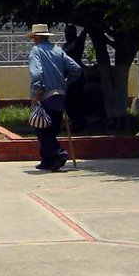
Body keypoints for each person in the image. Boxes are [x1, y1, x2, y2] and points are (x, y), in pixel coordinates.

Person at [28, 24, 82, 171]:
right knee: (51, 129)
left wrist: (37, 92)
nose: (33, 40)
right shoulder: (58, 50)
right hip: (60, 95)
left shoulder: (36, 51)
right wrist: (66, 83)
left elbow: (36, 73)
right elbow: (76, 69)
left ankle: (59, 154)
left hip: (44, 95)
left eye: (33, 37)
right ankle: (46, 160)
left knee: (41, 129)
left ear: (37, 37)